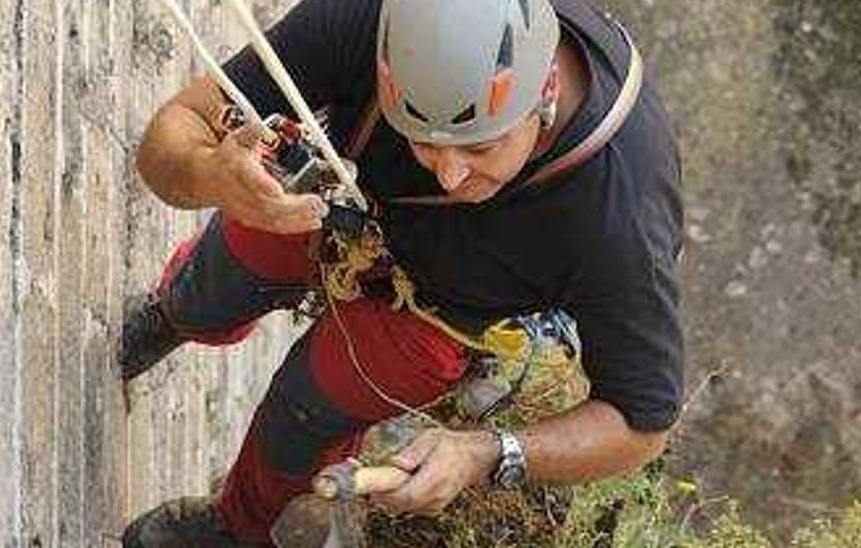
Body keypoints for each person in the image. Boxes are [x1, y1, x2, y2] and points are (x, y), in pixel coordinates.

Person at [120, 0, 685, 545]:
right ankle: (177, 313)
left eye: (482, 148)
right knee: (226, 272)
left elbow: (641, 424)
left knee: (307, 411)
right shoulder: (370, 21)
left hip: (437, 313)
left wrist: (485, 452)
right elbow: (175, 130)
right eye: (424, 142)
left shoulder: (621, 215)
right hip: (339, 200)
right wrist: (211, 175)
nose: (450, 176)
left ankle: (238, 529)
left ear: (546, 94)